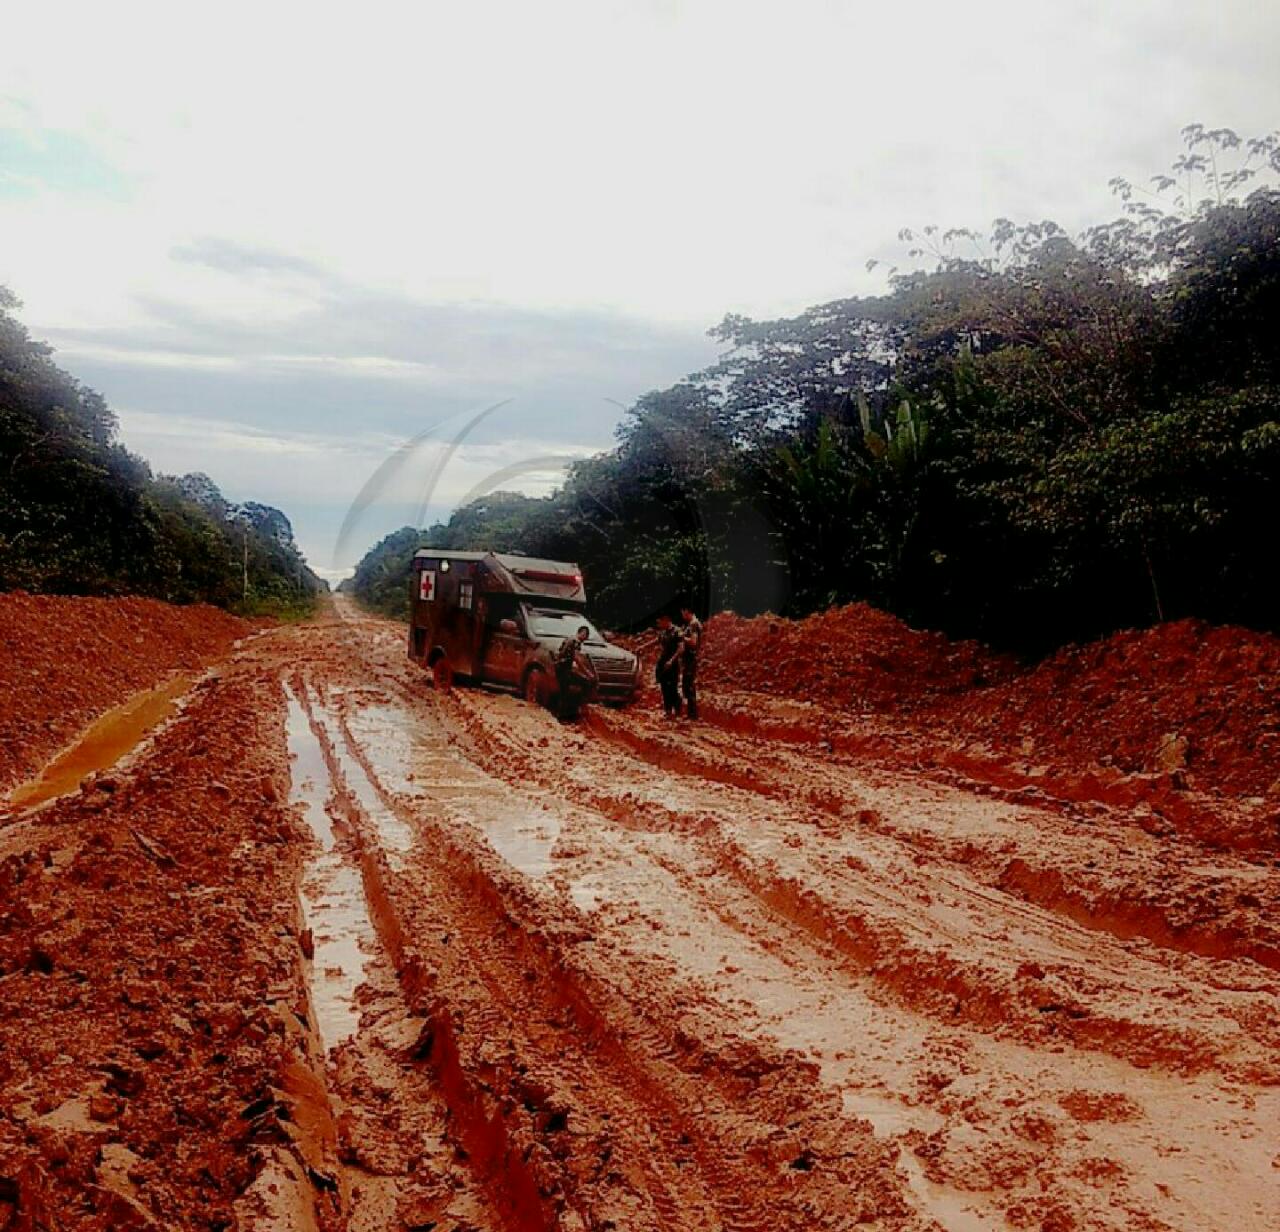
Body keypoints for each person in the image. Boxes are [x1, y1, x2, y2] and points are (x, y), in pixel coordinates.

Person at [554, 624, 595, 719]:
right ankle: (575, 710)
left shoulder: (568, 639)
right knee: (584, 683)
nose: (585, 638)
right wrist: (587, 673)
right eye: (585, 635)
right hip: (563, 669)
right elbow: (577, 658)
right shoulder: (575, 642)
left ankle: (563, 714)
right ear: (581, 633)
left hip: (560, 667)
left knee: (564, 691)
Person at [655, 613, 683, 718]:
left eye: (661, 622)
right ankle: (668, 711)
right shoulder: (663, 632)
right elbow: (656, 641)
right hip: (663, 662)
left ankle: (677, 709)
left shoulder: (677, 632)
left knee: (672, 688)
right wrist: (642, 646)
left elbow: (681, 648)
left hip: (673, 664)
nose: (659, 624)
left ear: (666, 621)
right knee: (664, 687)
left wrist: (671, 660)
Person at [679, 605, 702, 720]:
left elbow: (693, 642)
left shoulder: (694, 624)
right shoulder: (689, 625)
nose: (682, 616)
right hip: (687, 658)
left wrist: (682, 637)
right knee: (686, 685)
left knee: (689, 686)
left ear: (687, 611)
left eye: (683, 613)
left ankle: (692, 715)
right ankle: (690, 713)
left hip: (691, 658)